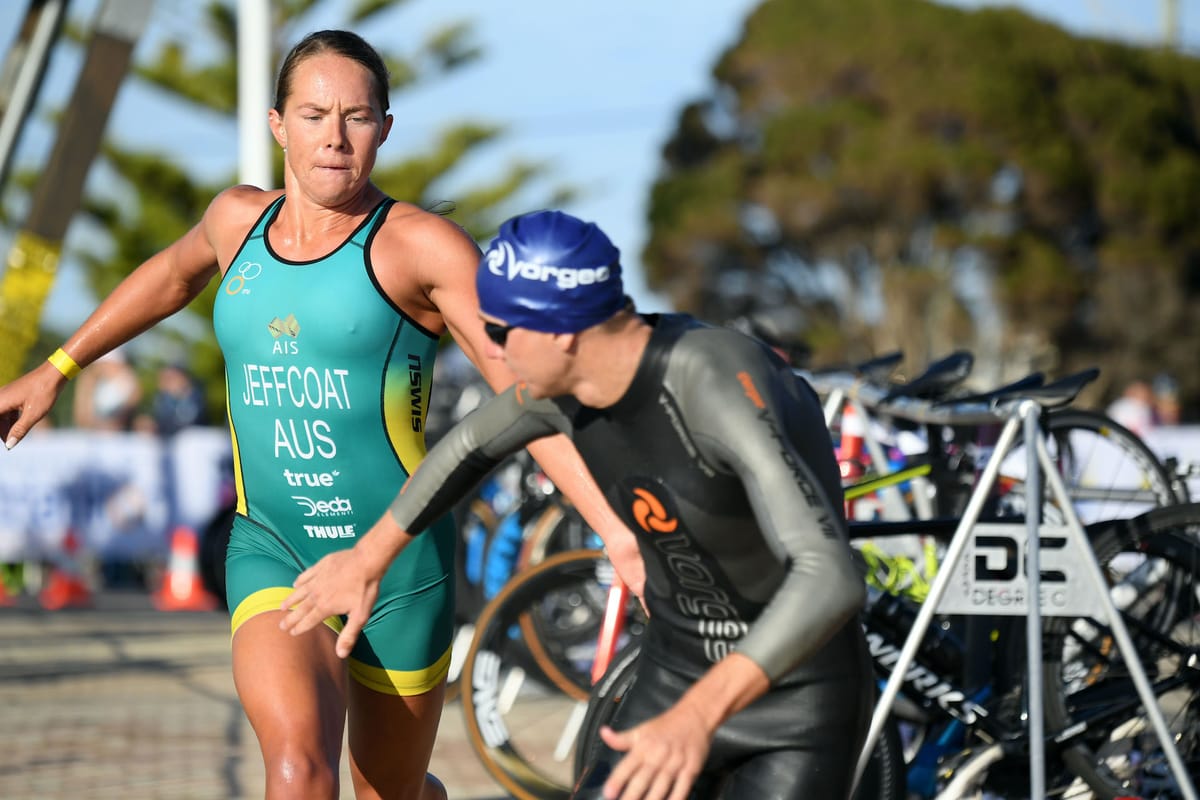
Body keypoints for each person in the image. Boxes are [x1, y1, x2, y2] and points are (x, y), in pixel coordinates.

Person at [0, 32, 639, 800]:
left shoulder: (421, 247)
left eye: (357, 116)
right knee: (298, 771)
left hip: (400, 569)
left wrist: (613, 525)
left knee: (391, 794)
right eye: (313, 114)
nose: (334, 137)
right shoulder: (236, 222)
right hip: (274, 549)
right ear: (277, 124)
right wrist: (55, 369)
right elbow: (171, 276)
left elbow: (525, 392)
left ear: (385, 128)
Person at [280, 210, 873, 799]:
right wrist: (366, 560)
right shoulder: (559, 389)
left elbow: (830, 578)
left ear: (561, 330)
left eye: (500, 330)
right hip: (677, 673)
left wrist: (699, 716)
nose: (490, 349)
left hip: (791, 702)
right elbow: (465, 448)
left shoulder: (709, 376)